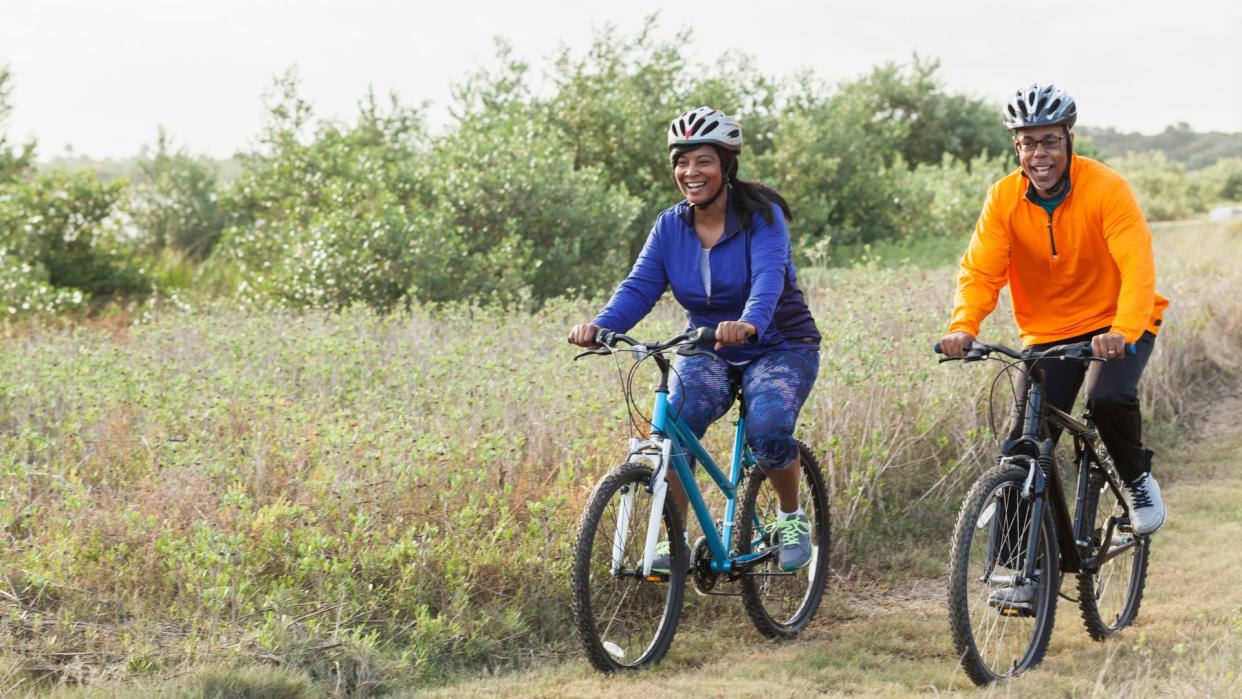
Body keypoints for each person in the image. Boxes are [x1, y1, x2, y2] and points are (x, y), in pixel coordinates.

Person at [938, 84, 1169, 602]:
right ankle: (1016, 576)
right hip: (1048, 332)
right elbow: (980, 270)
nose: (1038, 154)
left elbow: (1137, 267)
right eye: (1027, 143)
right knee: (1024, 443)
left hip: (1118, 322)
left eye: (1048, 141)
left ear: (1069, 140)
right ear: (1016, 148)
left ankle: (1135, 481)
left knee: (1108, 398)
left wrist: (1123, 332)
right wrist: (963, 326)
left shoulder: (1106, 189)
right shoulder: (1003, 197)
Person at [568, 107, 822, 572]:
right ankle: (675, 541)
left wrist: (748, 322)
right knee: (672, 435)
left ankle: (791, 515)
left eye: (703, 160)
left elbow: (768, 279)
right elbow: (640, 286)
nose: (691, 172)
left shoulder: (762, 219)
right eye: (681, 162)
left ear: (726, 164)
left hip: (780, 343)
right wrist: (602, 326)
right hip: (708, 344)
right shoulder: (671, 226)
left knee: (768, 429)